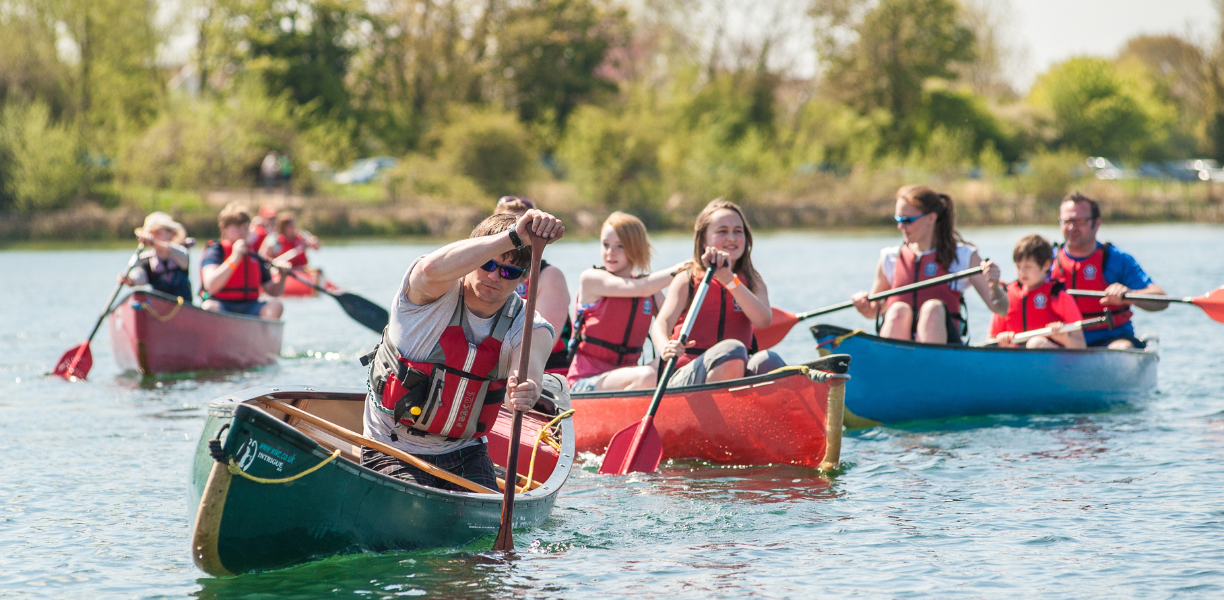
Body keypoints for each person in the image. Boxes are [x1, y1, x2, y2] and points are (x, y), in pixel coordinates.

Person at [360, 210, 565, 492]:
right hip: (390, 445)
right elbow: (430, 268)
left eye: (509, 272)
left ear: (524, 279)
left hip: (466, 453)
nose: (495, 276)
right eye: (487, 264)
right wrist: (513, 237)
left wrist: (525, 389)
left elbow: (526, 376)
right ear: (472, 258)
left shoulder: (531, 327)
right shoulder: (426, 294)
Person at [651, 198, 783, 387]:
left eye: (738, 231)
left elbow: (763, 320)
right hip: (686, 374)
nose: (731, 238)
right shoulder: (686, 279)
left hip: (736, 368)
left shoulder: (753, 281)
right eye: (722, 232)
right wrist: (664, 346)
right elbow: (662, 323)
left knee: (768, 360)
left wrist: (729, 280)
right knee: (732, 349)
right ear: (704, 239)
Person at [851, 185, 1007, 344]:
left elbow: (1001, 309)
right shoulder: (890, 258)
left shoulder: (963, 256)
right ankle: (889, 362)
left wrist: (994, 286)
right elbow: (873, 312)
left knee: (933, 308)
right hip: (898, 344)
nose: (900, 226)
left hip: (945, 346)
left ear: (931, 218)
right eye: (897, 219)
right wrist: (864, 307)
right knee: (898, 310)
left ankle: (927, 362)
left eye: (907, 220)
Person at [567, 212, 691, 392]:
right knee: (648, 375)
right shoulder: (591, 279)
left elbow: (677, 324)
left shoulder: (652, 292)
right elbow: (641, 287)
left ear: (635, 249)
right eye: (606, 244)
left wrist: (671, 346)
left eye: (620, 246)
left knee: (678, 362)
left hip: (629, 377)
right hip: (585, 382)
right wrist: (683, 268)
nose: (610, 252)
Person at [1053, 192, 1167, 349]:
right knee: (1036, 344)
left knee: (1123, 348)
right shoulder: (1045, 261)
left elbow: (1161, 300)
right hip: (1062, 341)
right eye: (1066, 221)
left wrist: (1128, 295)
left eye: (1080, 221)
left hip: (1111, 340)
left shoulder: (1117, 259)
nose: (1072, 227)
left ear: (1096, 223)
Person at [493, 196, 572, 374]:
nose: (517, 237)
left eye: (525, 229)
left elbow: (543, 344)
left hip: (546, 372)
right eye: (510, 230)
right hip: (494, 370)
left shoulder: (549, 276)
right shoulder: (482, 272)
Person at [988, 235, 1086, 349]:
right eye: (1018, 266)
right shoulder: (1006, 297)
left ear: (1046, 265)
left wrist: (1065, 339)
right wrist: (1000, 340)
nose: (1021, 272)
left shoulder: (1059, 297)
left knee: (1036, 343)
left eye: (1028, 266)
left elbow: (1081, 345)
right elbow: (989, 340)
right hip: (1016, 360)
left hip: (1053, 359)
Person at [199, 203, 286, 319]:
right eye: (236, 227)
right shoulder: (216, 250)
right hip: (221, 304)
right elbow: (210, 285)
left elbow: (272, 291)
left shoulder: (252, 253)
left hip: (250, 306)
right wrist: (234, 258)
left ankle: (259, 336)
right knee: (208, 307)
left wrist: (283, 275)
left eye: (245, 227)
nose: (241, 232)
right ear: (224, 228)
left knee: (276, 306)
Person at [120, 212, 193, 301]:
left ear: (171, 234)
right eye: (151, 233)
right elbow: (139, 275)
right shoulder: (146, 260)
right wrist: (130, 280)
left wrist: (154, 242)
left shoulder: (180, 252)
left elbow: (181, 256)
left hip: (183, 305)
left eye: (158, 233)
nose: (153, 237)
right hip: (159, 310)